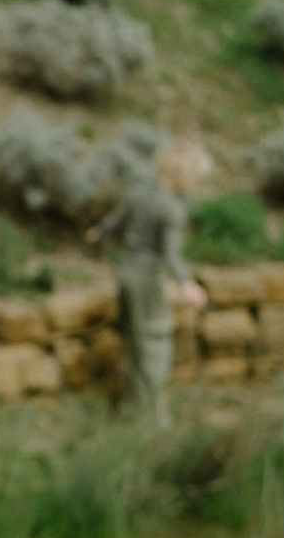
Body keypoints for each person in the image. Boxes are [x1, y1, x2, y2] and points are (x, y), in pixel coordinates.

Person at [86, 171, 207, 428]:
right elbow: (170, 254)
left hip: (126, 275)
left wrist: (97, 236)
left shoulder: (137, 193)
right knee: (155, 343)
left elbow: (109, 226)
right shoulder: (172, 208)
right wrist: (186, 283)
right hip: (149, 280)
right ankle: (156, 417)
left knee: (134, 342)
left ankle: (134, 408)